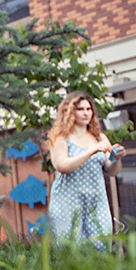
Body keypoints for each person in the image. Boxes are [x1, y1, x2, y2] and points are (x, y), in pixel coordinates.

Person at [46, 91, 126, 249]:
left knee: (102, 246)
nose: (86, 113)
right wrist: (91, 151)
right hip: (68, 202)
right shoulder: (60, 138)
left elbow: (111, 170)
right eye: (80, 109)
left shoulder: (99, 137)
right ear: (69, 112)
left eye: (89, 109)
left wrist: (116, 157)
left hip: (96, 201)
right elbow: (61, 166)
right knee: (72, 251)